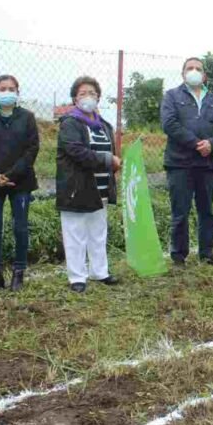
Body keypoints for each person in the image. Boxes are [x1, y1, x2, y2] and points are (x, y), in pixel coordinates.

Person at [56, 76, 121, 293]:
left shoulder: (104, 125)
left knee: (98, 232)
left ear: (98, 98)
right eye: (82, 93)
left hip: (100, 189)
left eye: (92, 93)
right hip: (76, 189)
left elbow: (111, 152)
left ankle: (99, 271)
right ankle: (77, 277)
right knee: (75, 234)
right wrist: (108, 160)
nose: (88, 97)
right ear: (75, 99)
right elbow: (76, 151)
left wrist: (113, 165)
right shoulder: (70, 123)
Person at [161, 57, 213, 267]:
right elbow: (169, 124)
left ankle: (207, 254)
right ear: (183, 74)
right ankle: (179, 256)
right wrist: (196, 143)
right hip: (179, 164)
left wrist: (212, 144)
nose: (194, 71)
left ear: (204, 75)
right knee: (180, 212)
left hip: (207, 164)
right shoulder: (171, 96)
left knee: (206, 211)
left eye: (198, 68)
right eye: (190, 68)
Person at [0, 75, 39, 294]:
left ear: (17, 92)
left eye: (11, 89)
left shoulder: (27, 117)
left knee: (20, 228)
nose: (7, 92)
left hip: (20, 182)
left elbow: (32, 149)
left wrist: (12, 173)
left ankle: (19, 273)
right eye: (3, 89)